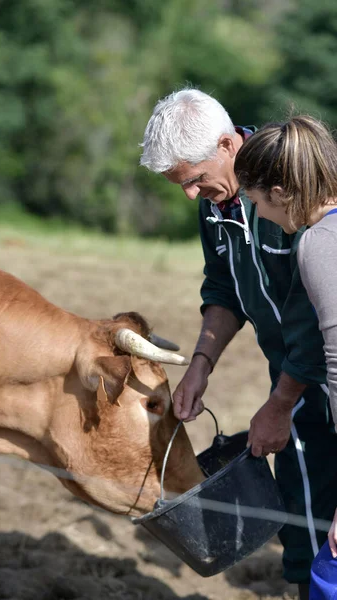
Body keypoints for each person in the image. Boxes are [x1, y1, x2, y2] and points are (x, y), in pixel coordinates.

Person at [140, 88, 337, 600]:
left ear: (228, 144)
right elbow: (224, 288)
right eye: (179, 185)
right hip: (291, 373)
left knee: (320, 508)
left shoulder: (293, 195)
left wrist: (281, 402)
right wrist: (201, 365)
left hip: (316, 372)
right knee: (302, 501)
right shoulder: (215, 205)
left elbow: (320, 328)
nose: (190, 195)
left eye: (195, 179)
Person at [234, 114, 337, 599]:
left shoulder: (319, 244)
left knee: (327, 577)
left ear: (280, 192)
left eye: (254, 202)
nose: (258, 214)